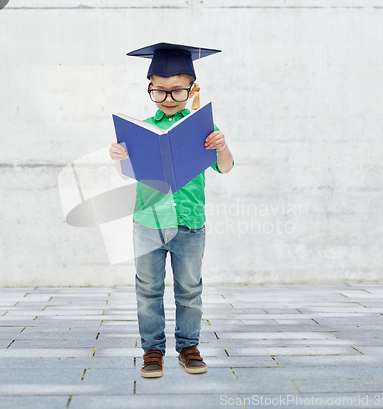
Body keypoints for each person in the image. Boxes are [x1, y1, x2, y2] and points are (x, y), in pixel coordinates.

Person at [109, 43, 234, 378]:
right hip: (148, 222)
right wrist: (120, 157)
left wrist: (222, 145)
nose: (167, 98)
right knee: (147, 289)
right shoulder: (140, 130)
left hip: (190, 223)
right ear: (150, 88)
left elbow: (225, 167)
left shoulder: (200, 129)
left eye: (177, 91)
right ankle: (152, 350)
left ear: (192, 90)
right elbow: (128, 174)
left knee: (189, 288)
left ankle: (188, 346)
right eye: (159, 91)